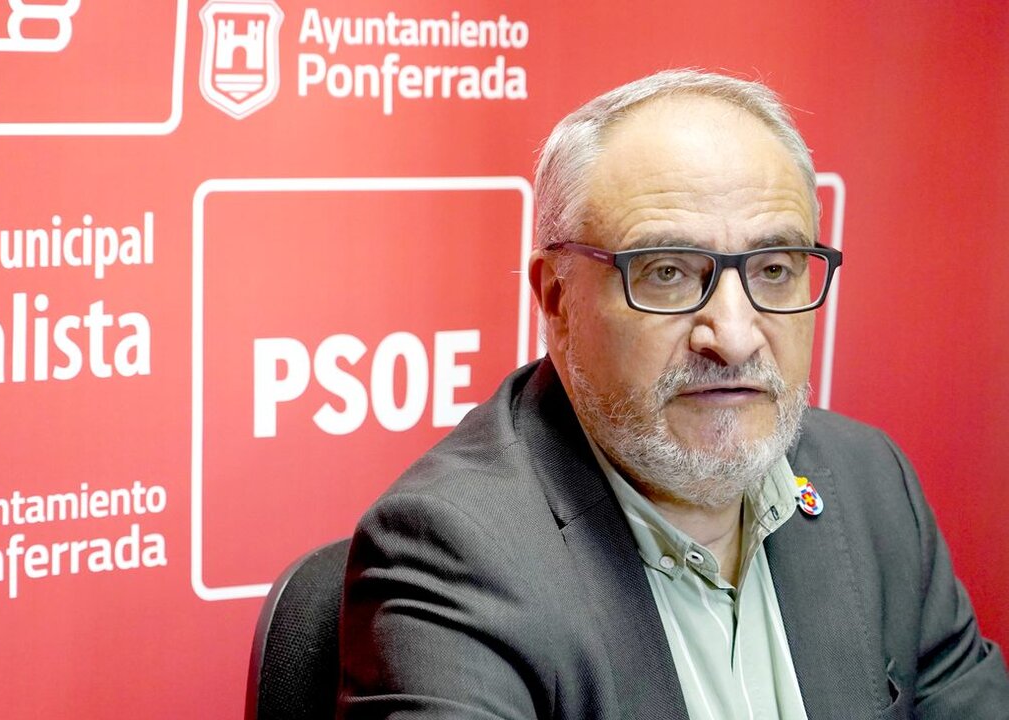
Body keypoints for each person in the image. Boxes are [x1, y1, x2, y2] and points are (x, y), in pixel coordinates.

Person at [337, 70, 1009, 719]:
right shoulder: (457, 553)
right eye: (666, 273)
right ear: (557, 299)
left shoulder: (871, 485)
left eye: (774, 270)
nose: (735, 336)